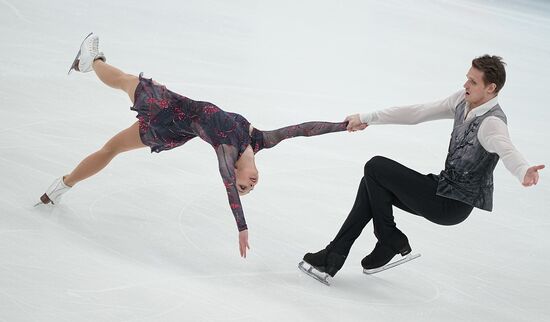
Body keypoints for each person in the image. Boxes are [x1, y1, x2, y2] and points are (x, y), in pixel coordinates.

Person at [37, 33, 348, 258]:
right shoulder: (259, 141)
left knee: (123, 89)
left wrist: (242, 227)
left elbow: (228, 186)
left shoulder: (228, 151)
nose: (247, 186)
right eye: (249, 188)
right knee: (114, 141)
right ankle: (59, 187)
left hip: (165, 115)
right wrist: (344, 126)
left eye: (244, 187)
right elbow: (303, 130)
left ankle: (91, 60)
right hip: (175, 115)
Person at [301, 55, 544, 282]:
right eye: (467, 78)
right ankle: (336, 255)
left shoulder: (492, 122)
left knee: (375, 167)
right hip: (441, 188)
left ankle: (388, 238)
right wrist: (368, 117)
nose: (465, 84)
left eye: (473, 81)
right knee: (371, 183)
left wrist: (524, 170)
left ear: (491, 88)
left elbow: (507, 149)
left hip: (451, 205)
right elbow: (418, 112)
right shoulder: (463, 100)